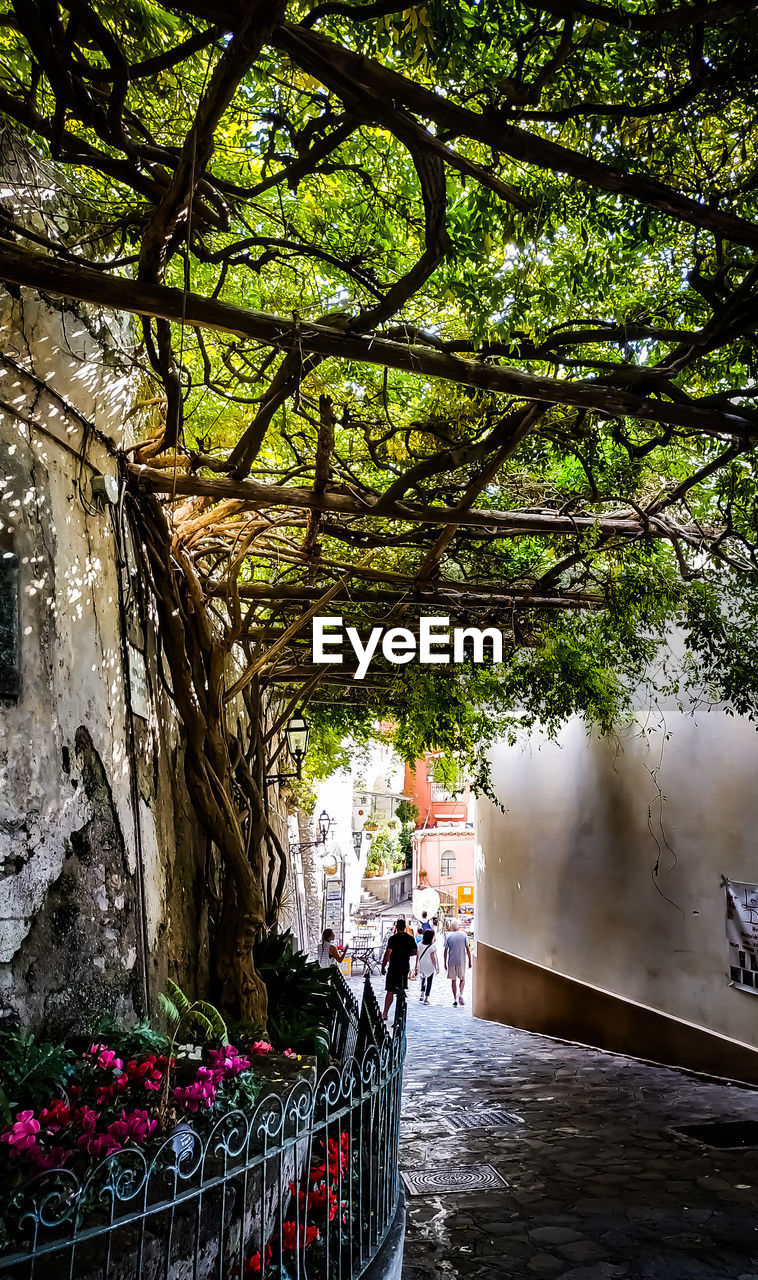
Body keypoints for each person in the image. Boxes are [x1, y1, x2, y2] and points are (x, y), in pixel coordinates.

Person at [380, 918, 418, 1020]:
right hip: (404, 966)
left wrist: (383, 966)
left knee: (390, 990)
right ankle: (400, 1012)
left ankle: (385, 1013)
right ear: (405, 927)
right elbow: (415, 951)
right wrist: (406, 953)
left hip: (393, 967)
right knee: (401, 988)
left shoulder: (393, 939)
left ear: (396, 927)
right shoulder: (410, 938)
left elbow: (388, 954)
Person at [444, 919, 472, 1006]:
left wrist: (444, 963)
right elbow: (467, 949)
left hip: (451, 960)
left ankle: (454, 998)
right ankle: (461, 994)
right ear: (458, 926)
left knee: (453, 980)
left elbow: (445, 951)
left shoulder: (448, 936)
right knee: (462, 979)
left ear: (451, 927)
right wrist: (470, 961)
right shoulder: (463, 936)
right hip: (461, 960)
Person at [417, 928, 439, 1004]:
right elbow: (433, 959)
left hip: (422, 964)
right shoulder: (432, 946)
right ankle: (426, 998)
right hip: (429, 965)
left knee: (423, 979)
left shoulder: (419, 944)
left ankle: (421, 994)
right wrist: (436, 967)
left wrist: (416, 965)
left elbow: (417, 955)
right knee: (429, 981)